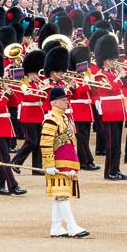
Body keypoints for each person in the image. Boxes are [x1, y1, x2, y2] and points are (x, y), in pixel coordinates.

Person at [38, 83, 88, 238]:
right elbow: (46, 143)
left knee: (60, 195)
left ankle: (56, 227)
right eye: (63, 100)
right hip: (58, 163)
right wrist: (49, 165)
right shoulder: (52, 119)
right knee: (63, 195)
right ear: (54, 102)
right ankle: (72, 226)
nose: (67, 102)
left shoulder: (64, 117)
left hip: (67, 161)